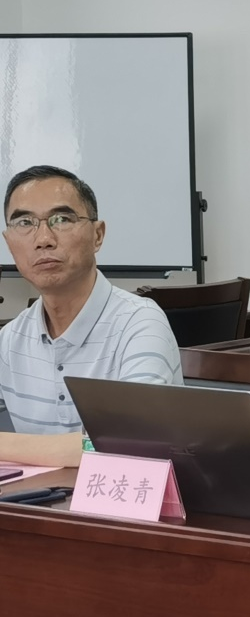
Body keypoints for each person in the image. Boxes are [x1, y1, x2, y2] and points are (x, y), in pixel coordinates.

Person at [0, 165, 183, 466]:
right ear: (9, 243)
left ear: (98, 235)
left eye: (61, 219)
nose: (43, 239)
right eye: (24, 222)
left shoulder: (140, 323)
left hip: (123, 495)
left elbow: (132, 442)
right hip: (43, 496)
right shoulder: (10, 340)